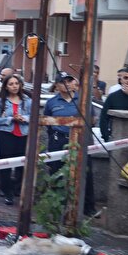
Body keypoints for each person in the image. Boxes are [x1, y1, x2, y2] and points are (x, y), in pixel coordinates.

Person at [42, 73, 95, 216]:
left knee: (85, 172)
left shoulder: (83, 100)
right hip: (59, 140)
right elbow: (47, 121)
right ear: (57, 85)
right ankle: (56, 205)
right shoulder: (52, 102)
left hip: (80, 140)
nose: (66, 83)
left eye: (69, 80)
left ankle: (89, 207)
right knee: (56, 172)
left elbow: (92, 119)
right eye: (62, 81)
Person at [0, 74, 33, 206]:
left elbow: (34, 116)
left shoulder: (27, 100)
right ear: (6, 87)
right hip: (6, 135)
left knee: (22, 165)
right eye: (11, 84)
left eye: (16, 83)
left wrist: (24, 118)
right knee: (5, 166)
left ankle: (17, 190)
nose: (14, 86)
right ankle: (7, 192)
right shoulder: (0, 101)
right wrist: (11, 119)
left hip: (23, 135)